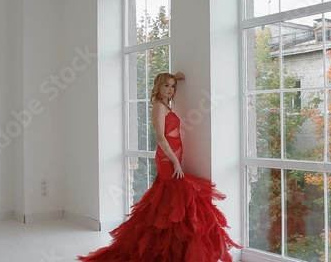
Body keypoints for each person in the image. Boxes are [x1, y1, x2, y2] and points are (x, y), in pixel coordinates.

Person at [78, 72, 241, 262]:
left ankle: (169, 247)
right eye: (166, 86)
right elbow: (161, 138)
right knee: (179, 196)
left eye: (172, 86)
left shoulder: (165, 106)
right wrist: (174, 161)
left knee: (167, 202)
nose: (170, 90)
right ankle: (167, 248)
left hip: (172, 158)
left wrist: (174, 76)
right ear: (158, 87)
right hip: (167, 159)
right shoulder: (158, 107)